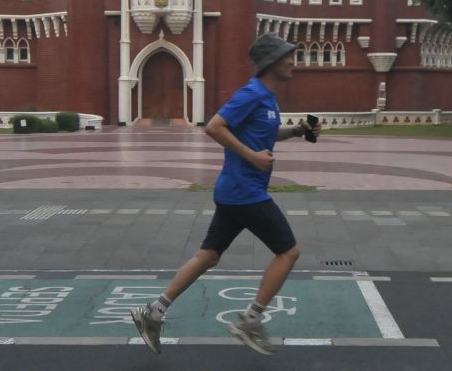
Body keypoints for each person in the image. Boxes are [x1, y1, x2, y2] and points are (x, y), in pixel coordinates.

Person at [132, 32, 320, 355]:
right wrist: (253, 157)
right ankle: (250, 320)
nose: (293, 61)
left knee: (208, 255)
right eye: (288, 56)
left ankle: (153, 313)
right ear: (271, 62)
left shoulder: (268, 98)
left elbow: (266, 132)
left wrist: (298, 130)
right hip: (245, 192)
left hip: (235, 191)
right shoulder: (251, 93)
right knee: (289, 252)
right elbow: (214, 126)